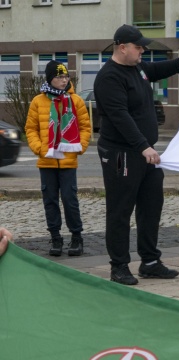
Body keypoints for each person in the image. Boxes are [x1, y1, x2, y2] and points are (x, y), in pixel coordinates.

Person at [94, 24, 179, 285]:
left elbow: (155, 70)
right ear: (122, 48)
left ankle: (150, 261)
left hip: (146, 153)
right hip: (123, 152)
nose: (143, 51)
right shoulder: (109, 77)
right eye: (139, 47)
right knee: (120, 210)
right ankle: (119, 265)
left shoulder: (138, 68)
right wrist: (143, 146)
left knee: (151, 206)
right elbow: (120, 116)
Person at [25, 61, 91, 257]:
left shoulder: (75, 100)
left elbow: (85, 128)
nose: (64, 80)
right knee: (50, 200)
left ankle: (76, 237)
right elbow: (31, 129)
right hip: (47, 160)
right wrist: (39, 148)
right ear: (49, 79)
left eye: (66, 77)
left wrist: (80, 148)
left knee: (70, 200)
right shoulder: (38, 101)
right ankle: (55, 237)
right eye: (59, 77)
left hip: (68, 160)